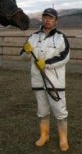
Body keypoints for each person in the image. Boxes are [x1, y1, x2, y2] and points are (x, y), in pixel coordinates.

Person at [22, 8, 70, 151]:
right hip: (37, 81)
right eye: (45, 17)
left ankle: (63, 138)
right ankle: (44, 135)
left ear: (56, 20)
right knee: (42, 111)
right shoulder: (33, 37)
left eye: (51, 17)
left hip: (55, 82)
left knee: (60, 111)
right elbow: (24, 56)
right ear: (42, 19)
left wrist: (47, 63)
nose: (47, 20)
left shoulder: (61, 38)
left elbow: (65, 57)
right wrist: (25, 50)